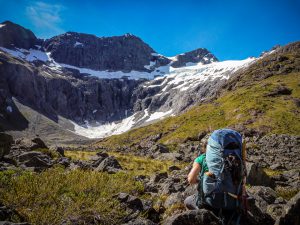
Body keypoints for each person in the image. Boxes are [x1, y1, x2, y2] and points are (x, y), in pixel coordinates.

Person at [184, 140, 208, 210]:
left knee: (187, 201)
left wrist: (200, 181)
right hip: (233, 199)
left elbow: (191, 179)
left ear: (204, 148)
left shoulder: (200, 159)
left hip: (210, 200)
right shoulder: (231, 158)